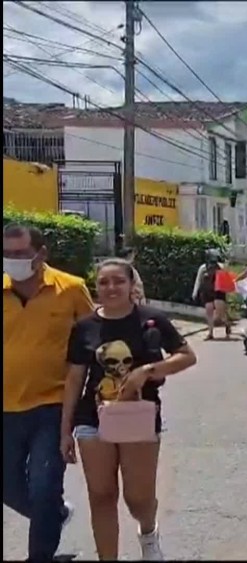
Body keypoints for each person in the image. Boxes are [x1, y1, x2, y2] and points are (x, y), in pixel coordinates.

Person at [60, 259, 197, 561]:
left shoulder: (152, 320)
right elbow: (74, 380)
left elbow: (187, 356)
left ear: (131, 285)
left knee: (138, 498)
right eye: (104, 282)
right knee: (101, 495)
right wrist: (65, 430)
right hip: (93, 419)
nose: (111, 287)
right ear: (96, 286)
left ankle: (148, 533)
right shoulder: (84, 327)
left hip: (139, 417)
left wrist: (147, 371)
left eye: (118, 281)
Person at [3, 225, 94, 561]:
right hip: (6, 405)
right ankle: (54, 515)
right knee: (9, 486)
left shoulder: (71, 289)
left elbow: (94, 336)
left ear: (41, 254)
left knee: (44, 485)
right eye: (6, 254)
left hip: (53, 404)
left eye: (19, 253)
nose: (11, 260)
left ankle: (40, 555)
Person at [191, 250, 231, 340]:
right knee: (209, 312)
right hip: (207, 292)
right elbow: (198, 280)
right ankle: (210, 333)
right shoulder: (203, 268)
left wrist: (227, 292)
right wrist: (195, 292)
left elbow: (226, 279)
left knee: (221, 313)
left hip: (219, 291)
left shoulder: (221, 267)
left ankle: (227, 324)